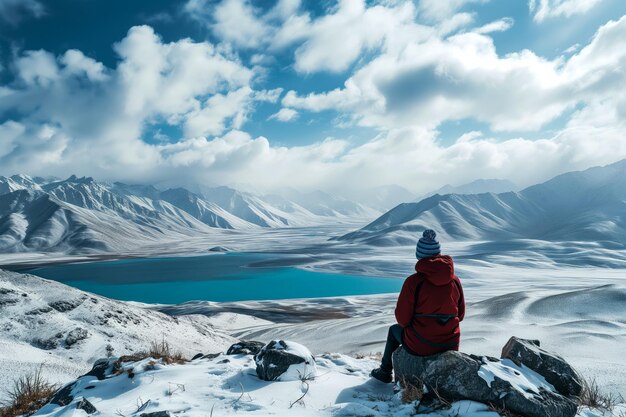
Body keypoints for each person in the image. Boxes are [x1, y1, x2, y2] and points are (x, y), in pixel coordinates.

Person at [370, 229, 465, 383]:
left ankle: (385, 372)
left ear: (419, 256)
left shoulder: (414, 282)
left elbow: (403, 319)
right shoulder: (454, 280)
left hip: (422, 344)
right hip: (450, 343)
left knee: (394, 330)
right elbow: (460, 315)